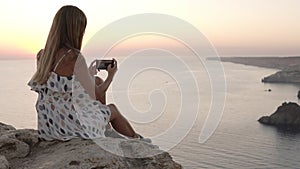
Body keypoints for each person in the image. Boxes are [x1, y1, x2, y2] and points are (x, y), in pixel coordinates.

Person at [28, 5, 150, 142]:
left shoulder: (42, 55)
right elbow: (97, 93)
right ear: (76, 30)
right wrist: (111, 75)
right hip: (71, 126)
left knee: (96, 79)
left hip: (50, 125)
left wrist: (87, 74)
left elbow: (58, 84)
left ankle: (106, 127)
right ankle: (138, 140)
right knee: (113, 109)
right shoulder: (73, 56)